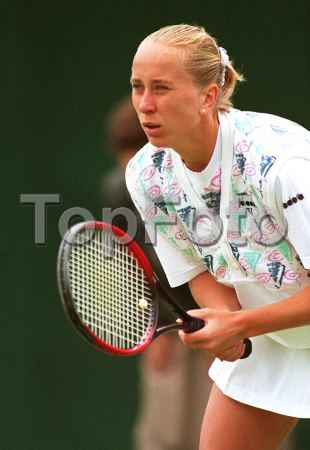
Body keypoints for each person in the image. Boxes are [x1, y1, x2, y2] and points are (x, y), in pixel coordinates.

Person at [125, 24, 309, 450]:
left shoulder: (282, 164)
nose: (145, 105)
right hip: (271, 336)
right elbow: (194, 268)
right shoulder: (147, 175)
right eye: (138, 88)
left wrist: (240, 322)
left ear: (209, 96)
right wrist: (226, 322)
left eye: (162, 88)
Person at [100, 95, 214, 450]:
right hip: (169, 327)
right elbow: (129, 264)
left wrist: (233, 322)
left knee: (233, 429)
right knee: (163, 436)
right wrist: (155, 330)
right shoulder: (119, 189)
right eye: (124, 159)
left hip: (228, 321)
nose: (130, 169)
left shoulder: (204, 183)